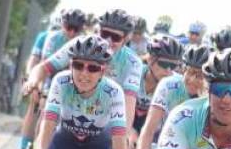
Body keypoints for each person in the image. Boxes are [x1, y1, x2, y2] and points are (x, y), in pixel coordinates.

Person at [24, 9, 144, 139]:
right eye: (105, 34)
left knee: (129, 140)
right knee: (45, 119)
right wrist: (32, 81)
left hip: (103, 114)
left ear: (126, 39)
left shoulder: (133, 62)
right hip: (72, 104)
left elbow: (129, 103)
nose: (108, 41)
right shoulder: (80, 44)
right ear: (99, 31)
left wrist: (123, 137)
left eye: (115, 37)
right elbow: (43, 68)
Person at [17, 10, 86, 149]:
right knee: (37, 103)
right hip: (51, 79)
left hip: (71, 83)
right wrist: (37, 87)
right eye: (69, 27)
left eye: (76, 29)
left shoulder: (83, 42)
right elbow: (42, 65)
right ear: (63, 25)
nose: (72, 32)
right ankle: (25, 145)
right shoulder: (52, 38)